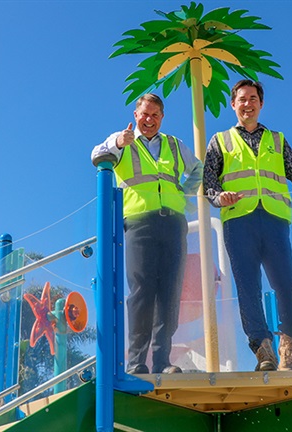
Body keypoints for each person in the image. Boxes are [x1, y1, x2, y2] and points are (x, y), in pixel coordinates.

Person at [203, 80, 292, 371]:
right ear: (233, 104)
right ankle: (263, 350)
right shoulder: (220, 141)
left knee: (287, 285)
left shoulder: (277, 139)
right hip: (238, 220)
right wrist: (219, 197)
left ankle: (289, 347)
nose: (247, 104)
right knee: (248, 286)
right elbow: (209, 183)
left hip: (274, 219)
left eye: (253, 99)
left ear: (261, 104)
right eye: (242, 99)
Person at [91, 93, 203, 374]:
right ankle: (136, 362)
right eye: (145, 114)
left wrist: (183, 196)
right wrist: (118, 143)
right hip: (139, 223)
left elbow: (198, 169)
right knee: (141, 291)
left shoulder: (175, 145)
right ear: (135, 115)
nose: (149, 120)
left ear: (162, 117)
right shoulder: (123, 141)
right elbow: (96, 156)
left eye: (155, 115)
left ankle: (162, 361)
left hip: (173, 224)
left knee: (169, 292)